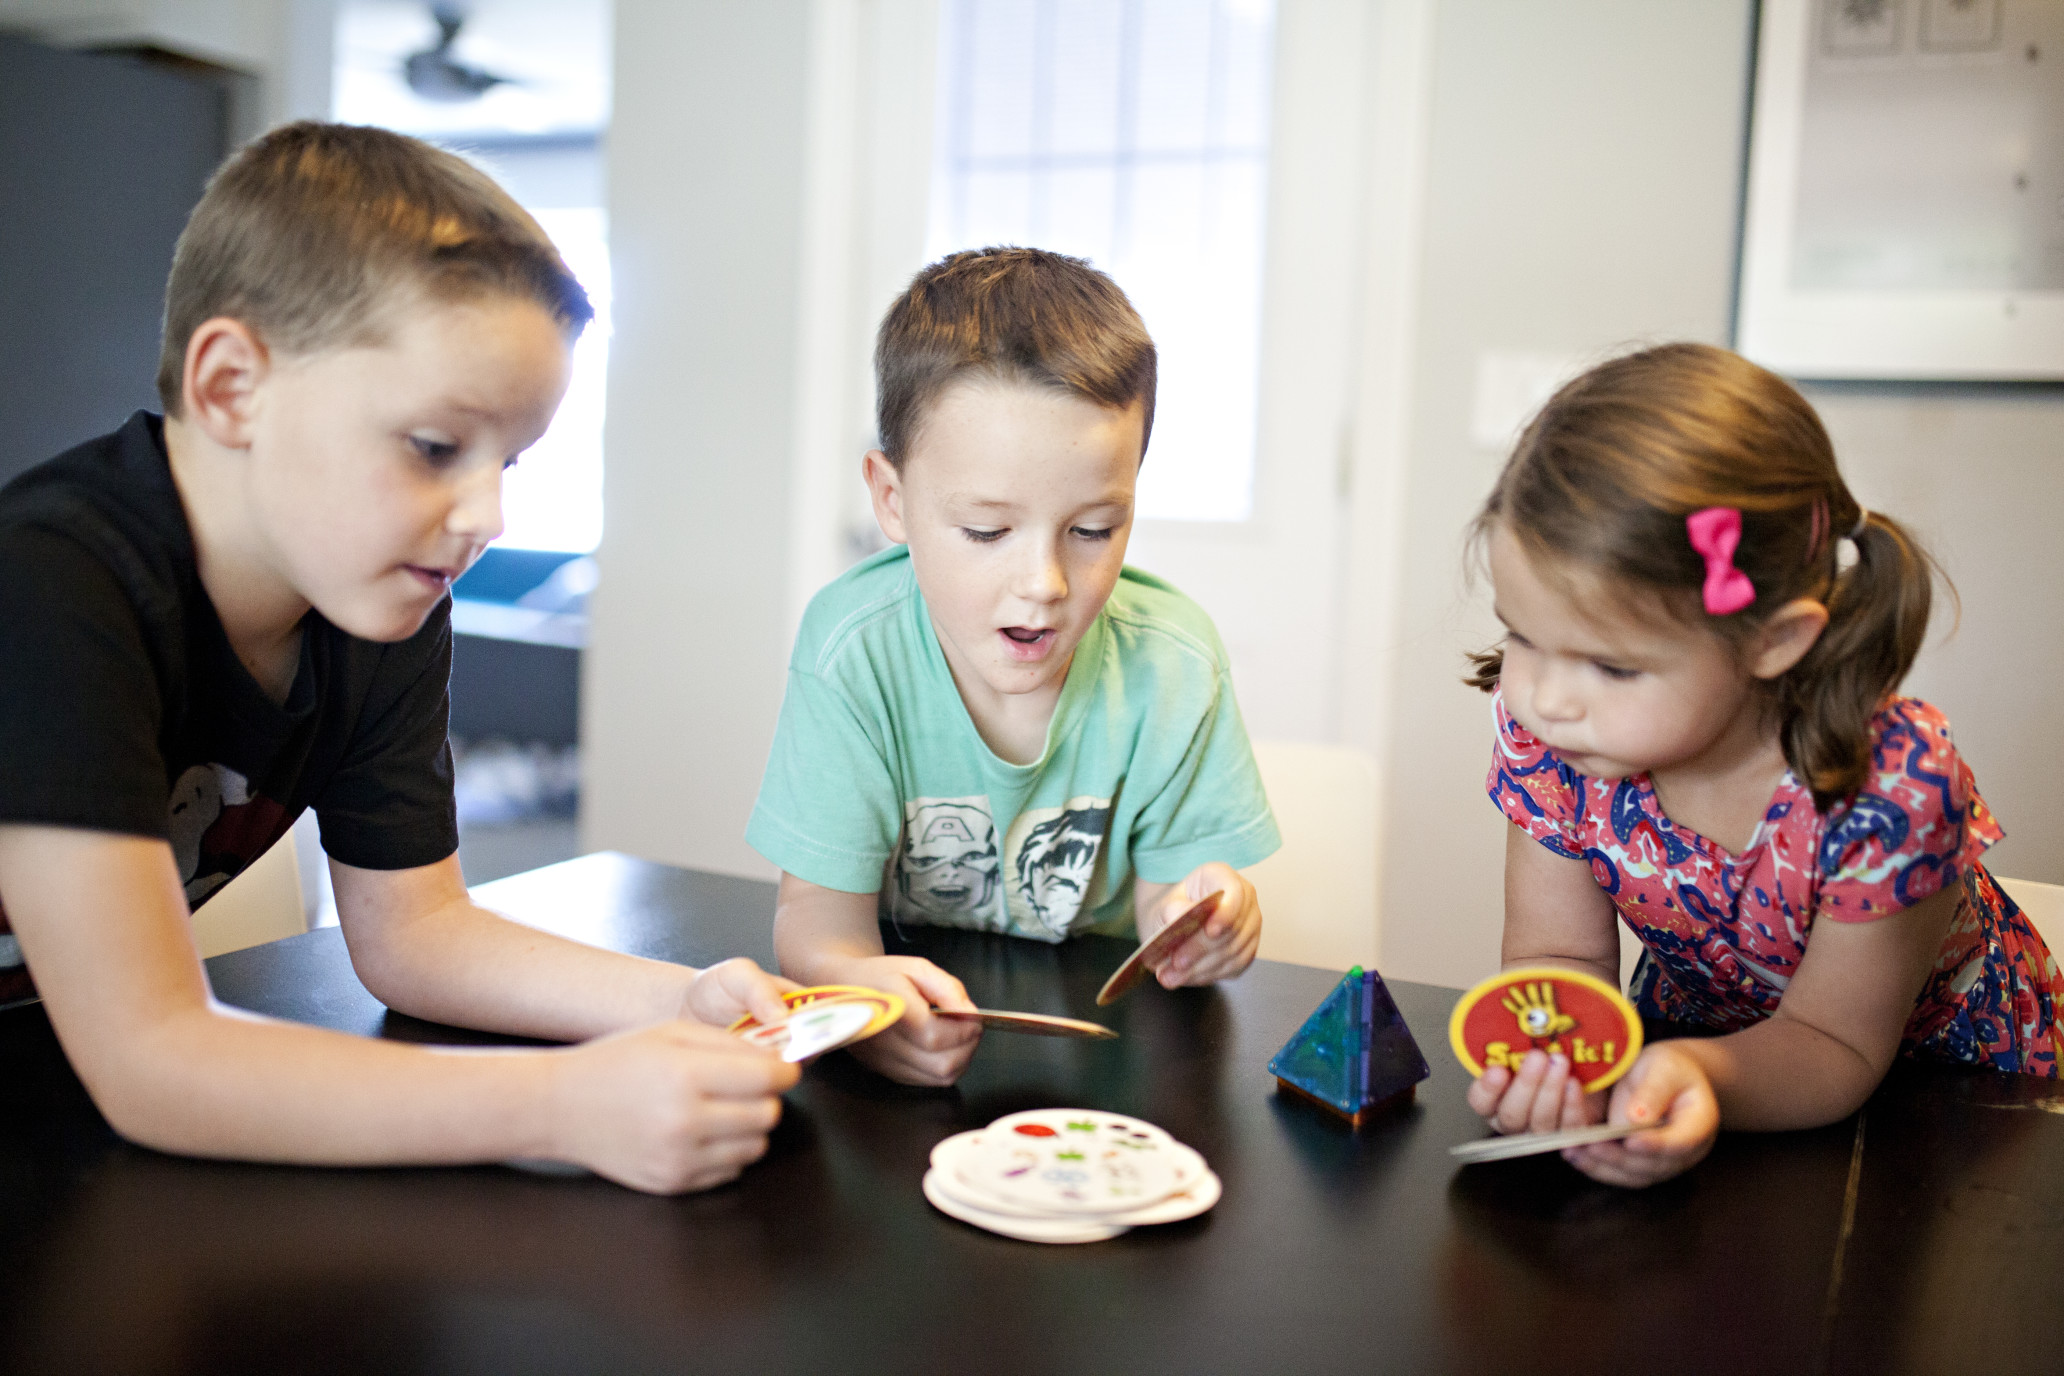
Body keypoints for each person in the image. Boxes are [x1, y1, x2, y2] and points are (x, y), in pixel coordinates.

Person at [0, 122, 798, 1195]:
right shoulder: (55, 581)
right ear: (233, 386)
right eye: (434, 448)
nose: (486, 515)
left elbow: (415, 931)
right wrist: (562, 1104)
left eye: (508, 460)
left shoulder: (376, 603)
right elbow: (152, 1060)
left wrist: (682, 1003)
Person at [1466, 341, 2061, 1187]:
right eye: (1523, 635)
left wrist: (1702, 1076)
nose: (1544, 698)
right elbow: (1556, 958)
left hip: (1958, 1115)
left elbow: (1834, 1044)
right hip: (1703, 1074)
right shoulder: (1563, 745)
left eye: (1613, 666)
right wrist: (1556, 1067)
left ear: (1774, 641)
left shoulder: (1892, 788)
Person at [748, 247, 1281, 1086]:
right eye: (988, 532)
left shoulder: (1175, 662)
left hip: (1105, 1060)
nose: (1044, 584)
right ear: (892, 500)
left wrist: (1198, 920)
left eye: (1095, 529)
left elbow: (1165, 908)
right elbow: (816, 917)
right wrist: (858, 988)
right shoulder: (853, 649)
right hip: (911, 1036)